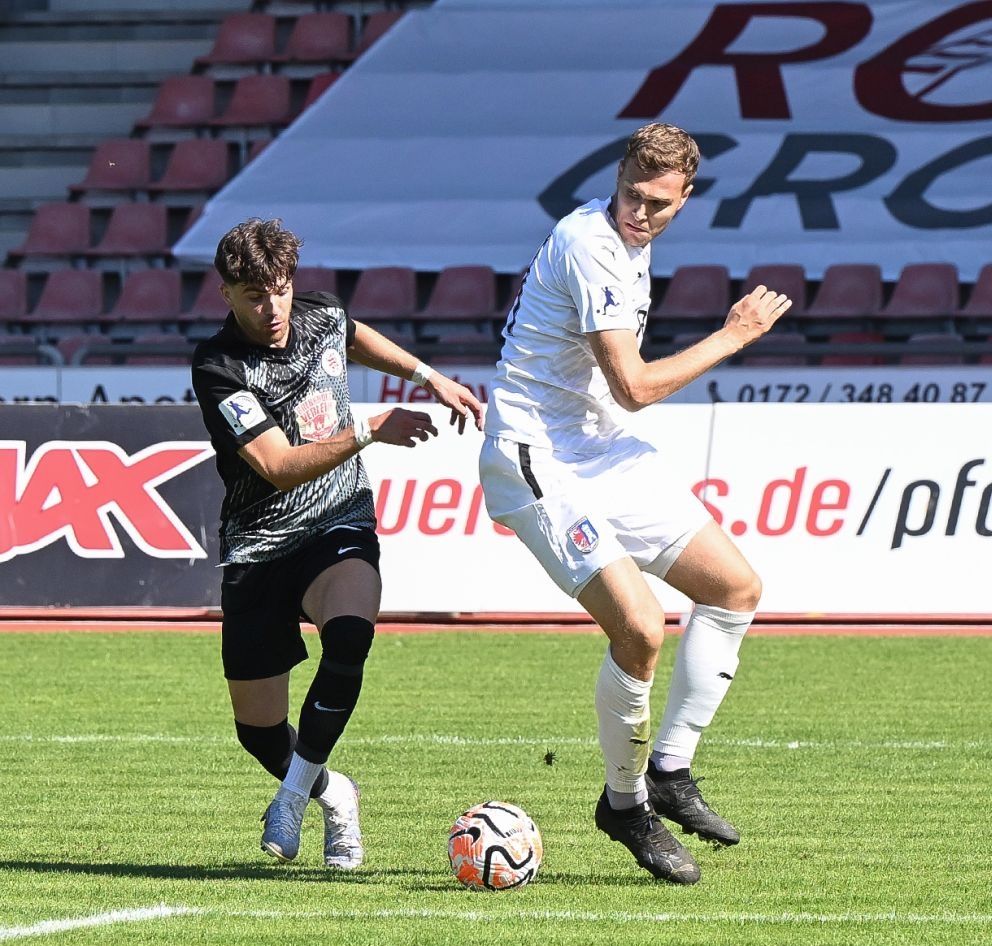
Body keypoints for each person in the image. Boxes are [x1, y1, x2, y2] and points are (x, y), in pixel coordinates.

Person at [479, 122, 791, 886]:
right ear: (616, 177)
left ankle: (671, 770)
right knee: (643, 630)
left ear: (685, 199)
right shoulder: (590, 240)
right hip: (537, 456)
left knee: (735, 589)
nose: (639, 214)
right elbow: (635, 387)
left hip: (598, 448)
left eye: (657, 203)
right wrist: (732, 336)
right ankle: (625, 804)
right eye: (630, 196)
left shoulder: (633, 240)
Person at [191, 217, 486, 867]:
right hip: (260, 541)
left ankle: (292, 797)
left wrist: (425, 375)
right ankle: (335, 791)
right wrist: (369, 428)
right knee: (258, 731)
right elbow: (275, 465)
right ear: (226, 295)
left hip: (337, 521)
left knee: (351, 632)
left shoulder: (321, 313)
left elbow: (355, 337)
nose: (272, 307)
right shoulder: (218, 367)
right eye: (254, 295)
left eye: (280, 287)